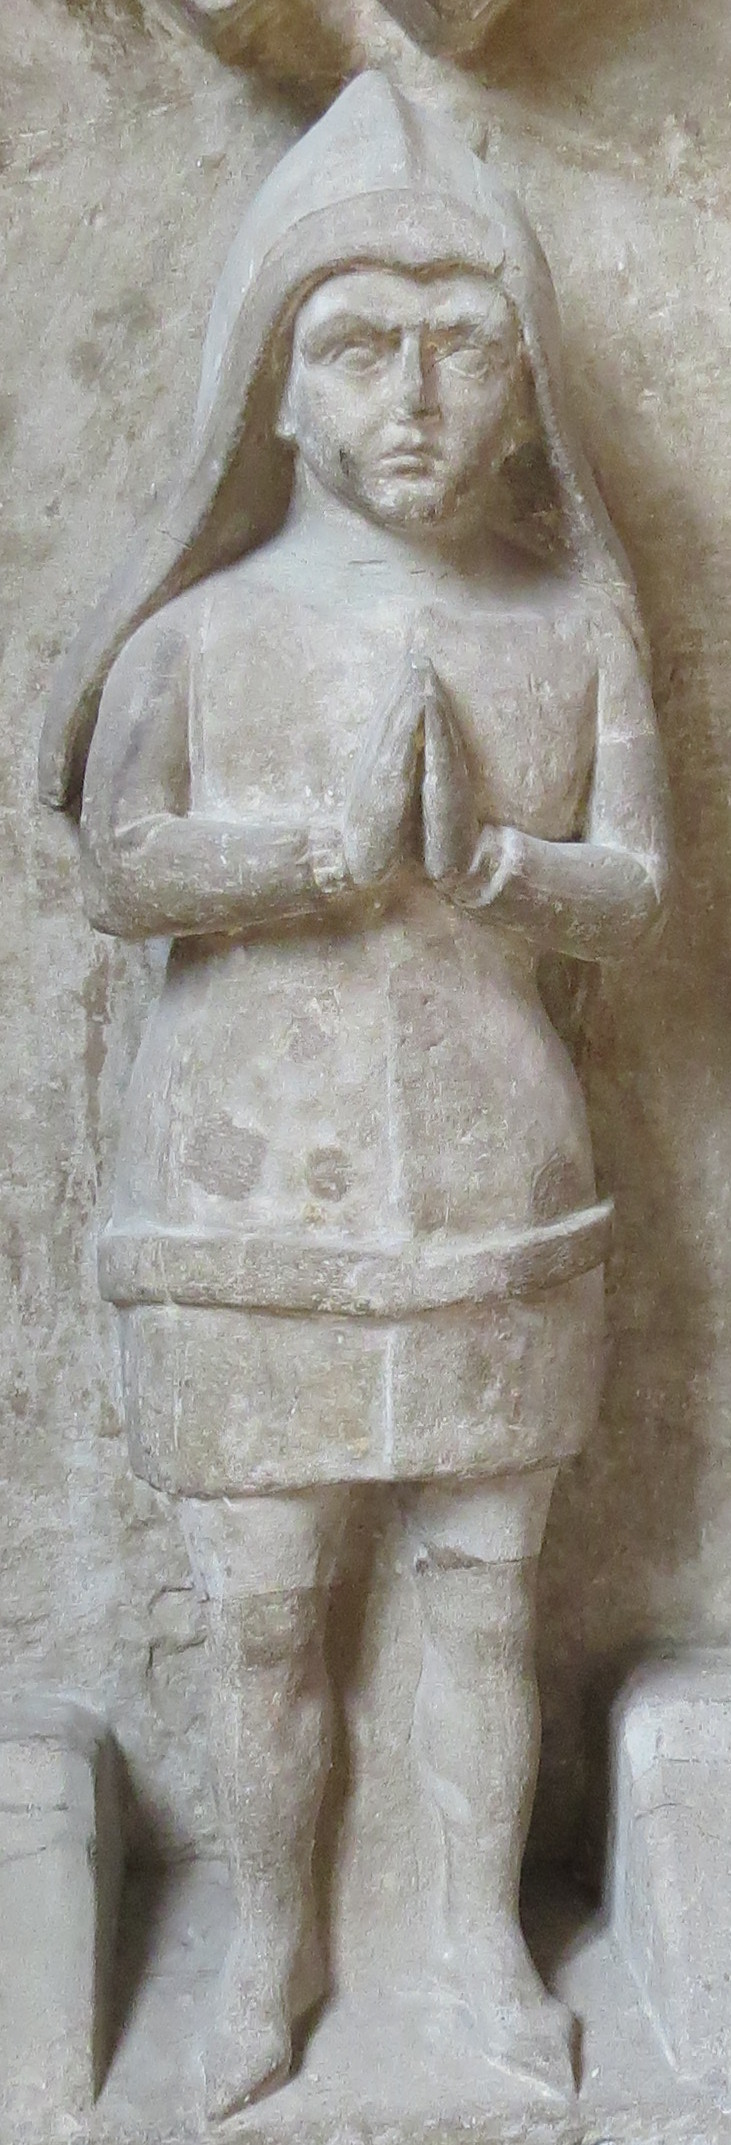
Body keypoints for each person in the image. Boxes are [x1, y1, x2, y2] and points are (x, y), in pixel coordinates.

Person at [40, 72, 670, 2122]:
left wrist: (494, 864)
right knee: (265, 1611)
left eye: (462, 344)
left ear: (525, 376)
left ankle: (472, 1941)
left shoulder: (570, 624)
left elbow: (637, 883)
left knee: (482, 1591)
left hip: (498, 1175)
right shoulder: (202, 634)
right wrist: (319, 854)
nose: (413, 396)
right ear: (276, 385)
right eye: (357, 344)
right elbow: (120, 862)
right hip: (245, 1180)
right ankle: (271, 1946)